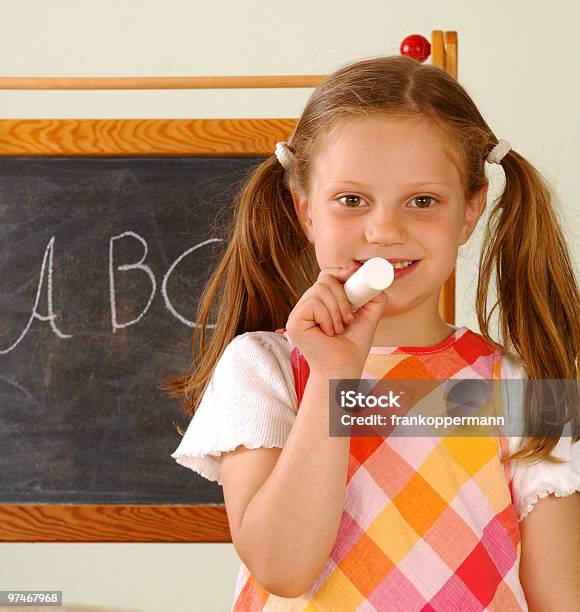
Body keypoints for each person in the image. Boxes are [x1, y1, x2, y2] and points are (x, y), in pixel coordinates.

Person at [162, 55, 580, 610]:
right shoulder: (264, 369)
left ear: (470, 210)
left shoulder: (521, 388)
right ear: (305, 208)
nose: (384, 230)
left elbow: (559, 596)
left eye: (423, 201)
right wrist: (334, 372)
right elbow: (284, 568)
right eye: (352, 200)